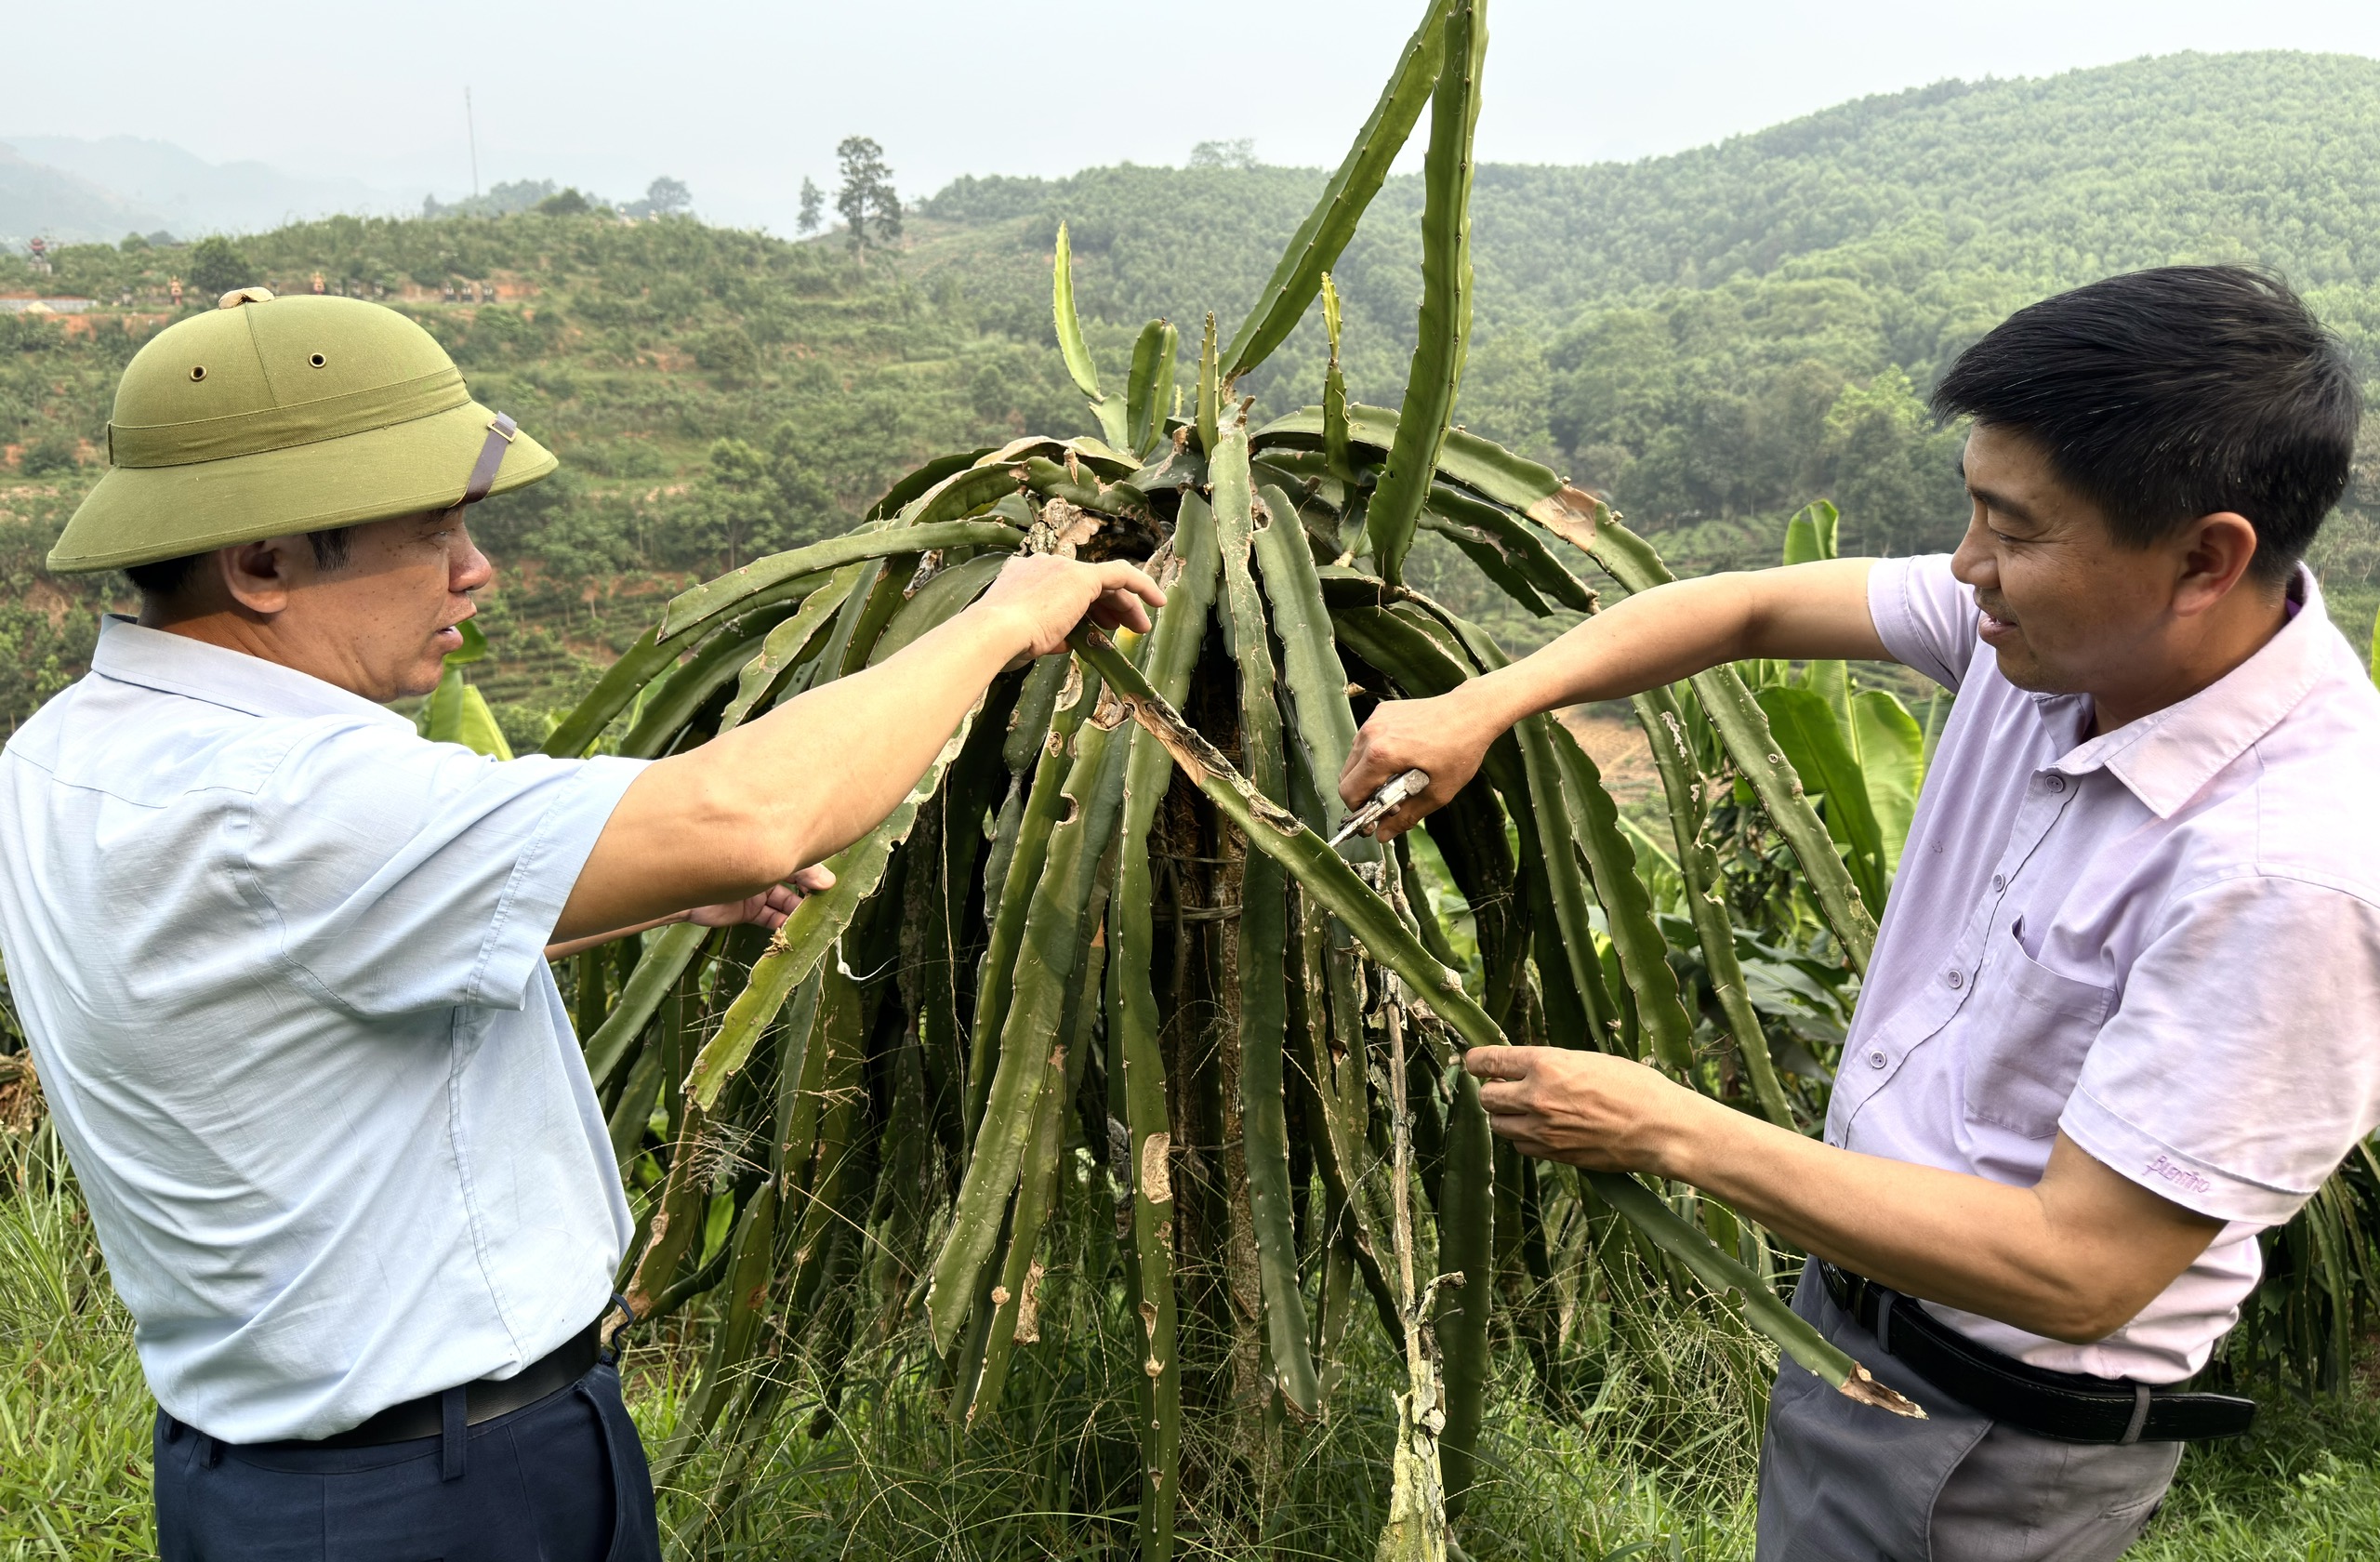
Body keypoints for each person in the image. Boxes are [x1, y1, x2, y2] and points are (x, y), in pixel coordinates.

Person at [0, 288, 1160, 1560]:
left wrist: (615, 901)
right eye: (433, 530)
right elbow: (753, 814)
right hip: (437, 1492)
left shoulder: (71, 752)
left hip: (272, 1476)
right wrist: (1005, 618)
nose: (474, 572)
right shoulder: (300, 799)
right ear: (264, 564)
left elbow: (280, 970)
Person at [1339, 265, 2380, 1561]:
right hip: (1864, 1332)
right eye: (1973, 513)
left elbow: (2081, 1271)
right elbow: (1750, 606)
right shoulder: (2060, 633)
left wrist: (1668, 1129)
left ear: (2206, 558)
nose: (1968, 568)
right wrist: (1485, 701)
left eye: (2013, 529)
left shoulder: (2284, 878)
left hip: (1999, 1441)